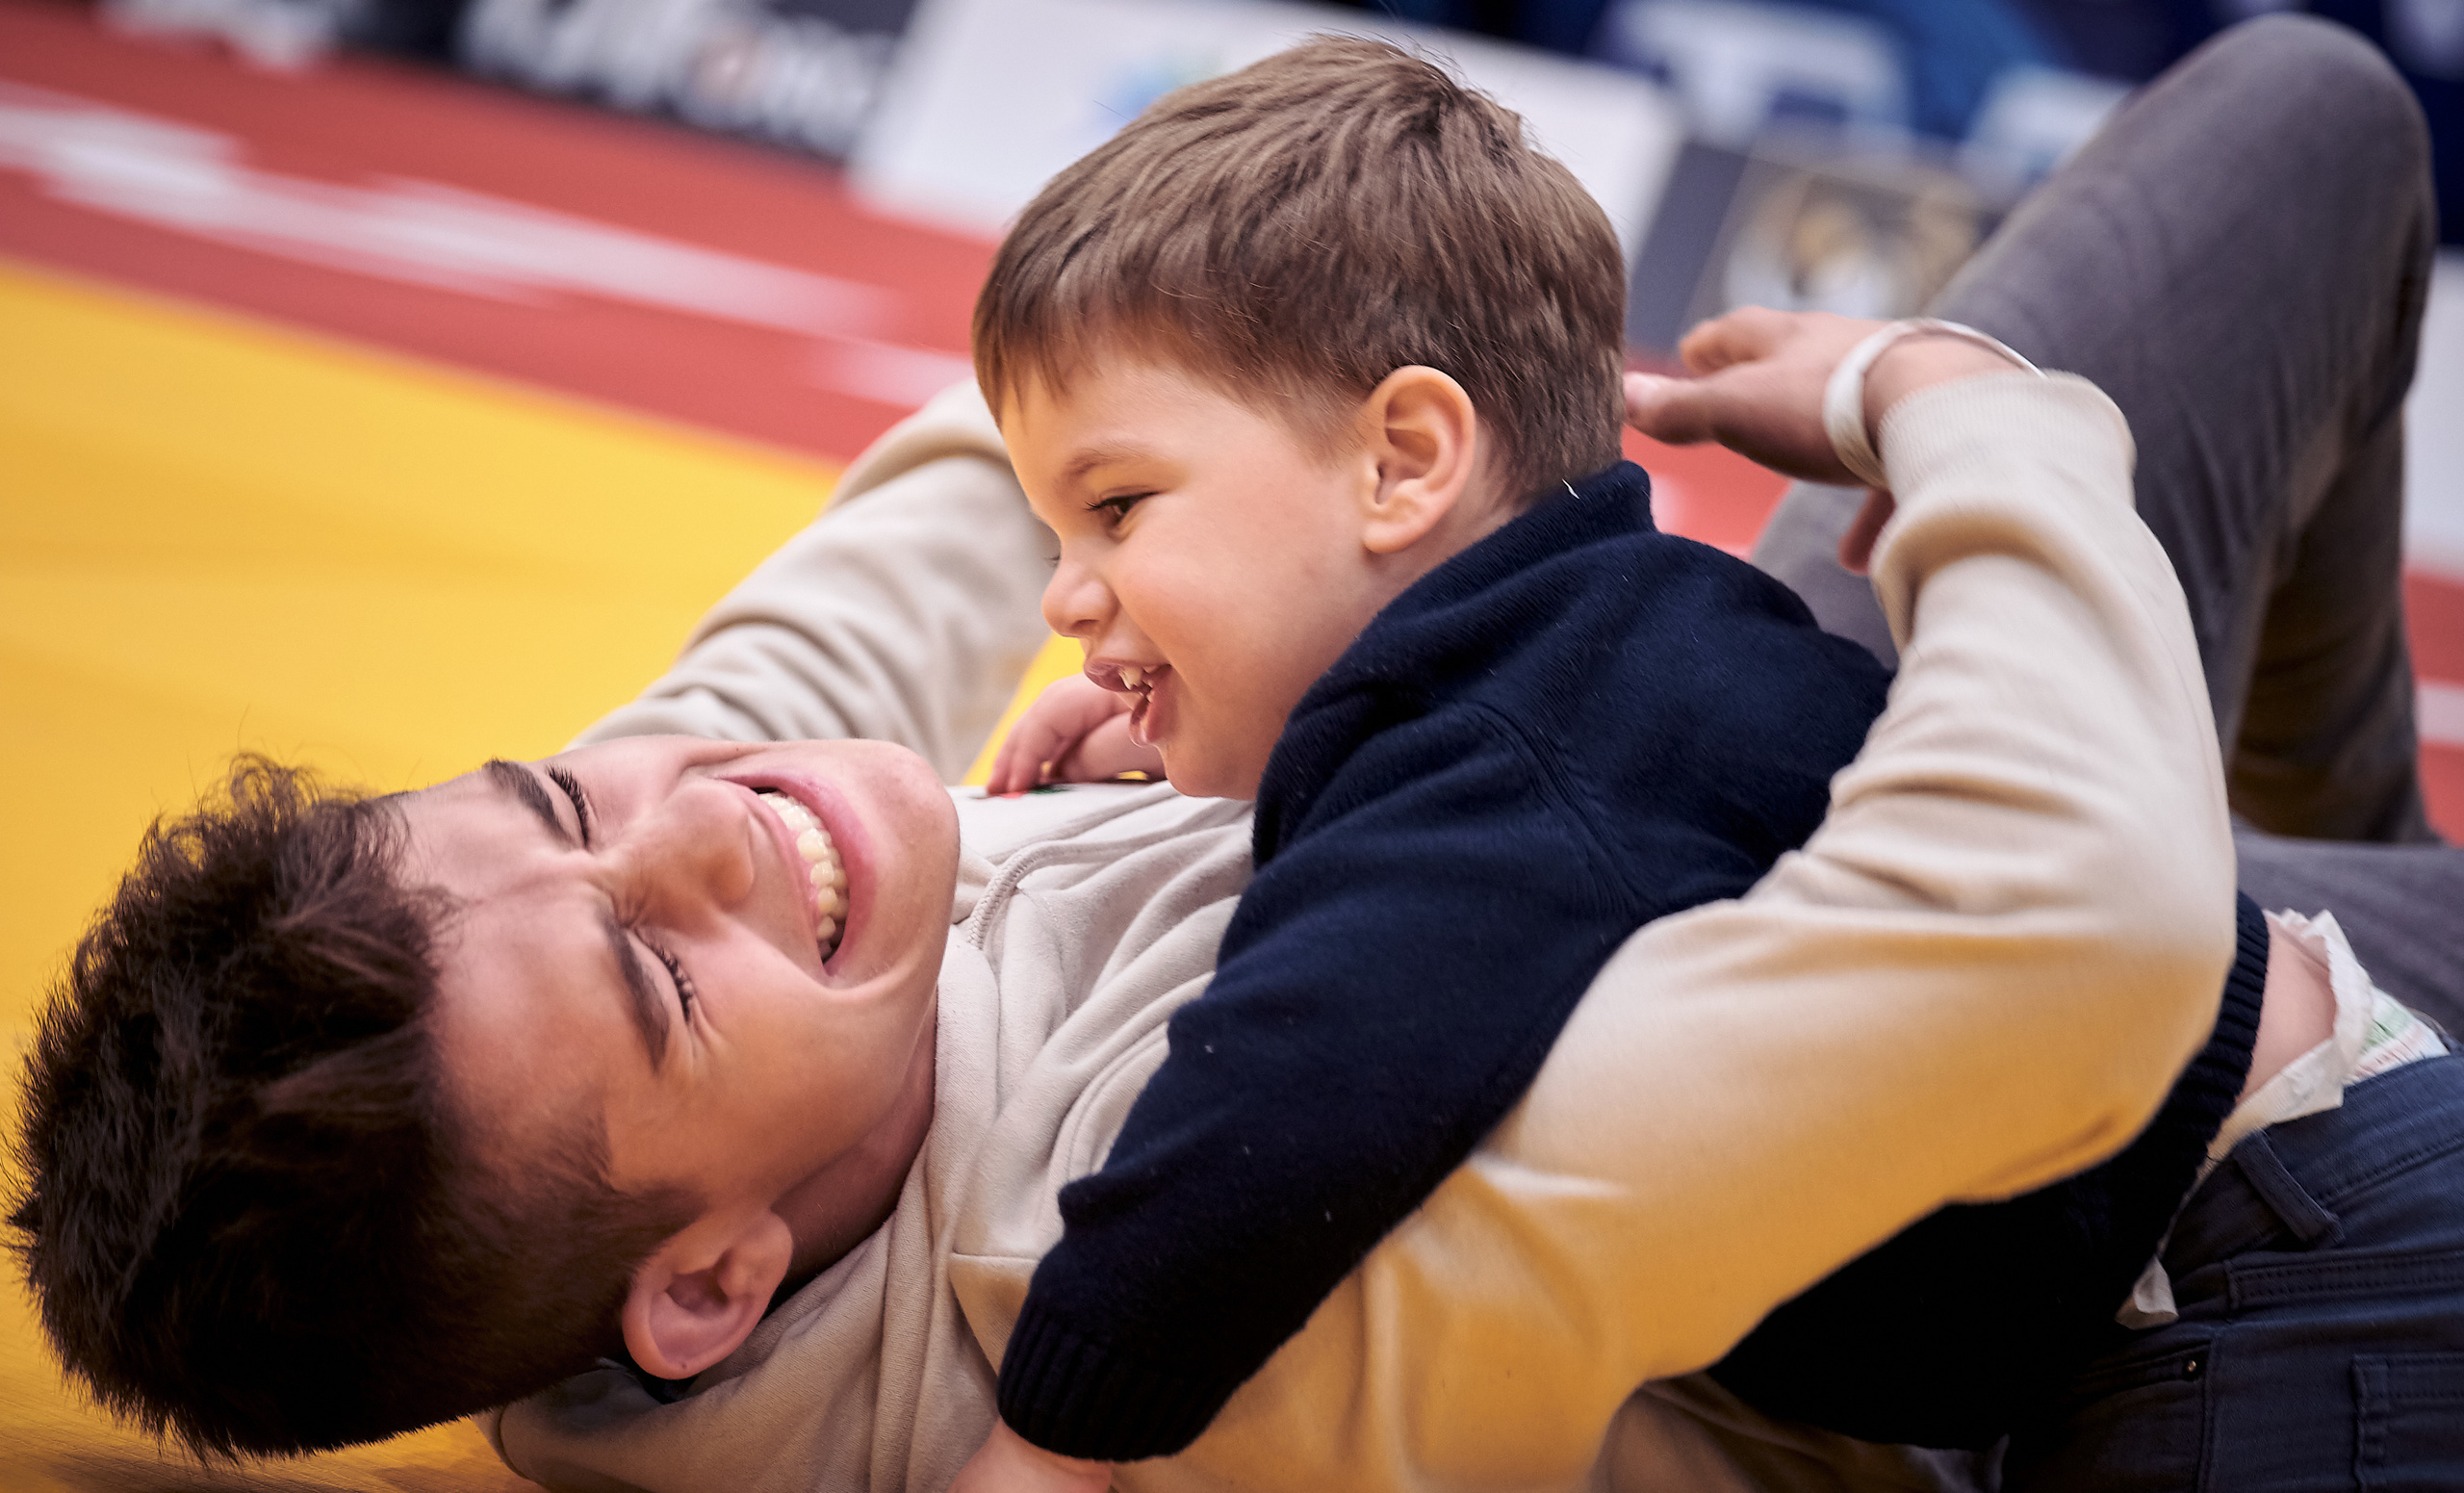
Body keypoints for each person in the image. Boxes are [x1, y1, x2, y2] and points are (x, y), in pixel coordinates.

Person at [0, 15, 2451, 1493]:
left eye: (552, 795)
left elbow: (882, 561)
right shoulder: (1183, 1296)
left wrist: (1178, 539)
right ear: (707, 1288)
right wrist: (1972, 424)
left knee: (2309, 124)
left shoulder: (595, 988)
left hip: (1807, 842)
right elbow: (2068, 938)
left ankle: (2349, 851)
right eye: (662, 979)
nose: (703, 819)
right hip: (2047, 1074)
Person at [943, 39, 2297, 1491]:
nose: (1065, 596)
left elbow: (1285, 1096)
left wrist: (1054, 1433)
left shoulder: (1509, 746)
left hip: (2260, 1263)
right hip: (2211, 1212)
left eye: (1120, 508)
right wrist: (1195, 705)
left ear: (1403, 461)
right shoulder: (1573, 656)